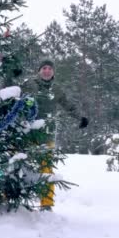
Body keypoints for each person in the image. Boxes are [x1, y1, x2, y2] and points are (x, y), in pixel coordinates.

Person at [21, 58, 88, 211]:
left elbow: (68, 105)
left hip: (47, 135)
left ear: (53, 72)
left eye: (49, 68)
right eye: (44, 68)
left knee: (46, 170)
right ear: (39, 70)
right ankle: (12, 198)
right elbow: (14, 97)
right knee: (20, 167)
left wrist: (80, 117)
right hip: (27, 133)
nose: (47, 71)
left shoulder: (56, 89)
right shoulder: (29, 84)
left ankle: (46, 204)